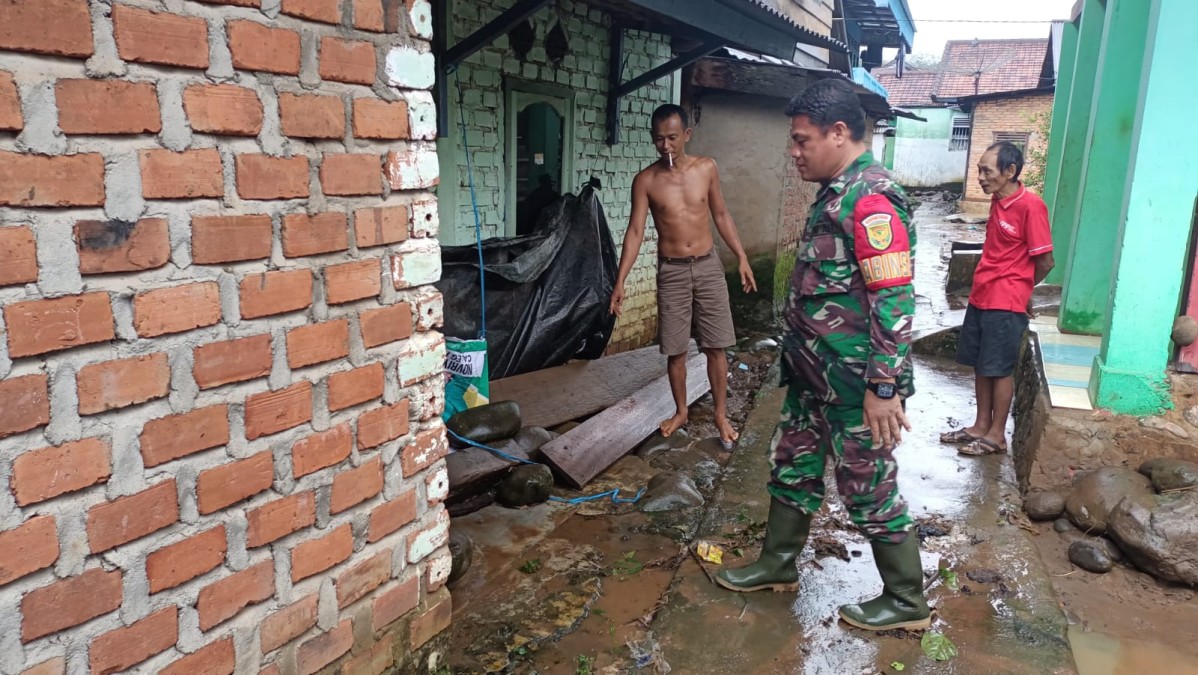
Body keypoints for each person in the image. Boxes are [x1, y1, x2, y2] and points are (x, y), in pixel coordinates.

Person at [715, 79, 930, 632]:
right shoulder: (837, 190)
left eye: (801, 140)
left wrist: (883, 389)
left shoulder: (872, 198)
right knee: (793, 468)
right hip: (814, 374)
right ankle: (776, 564)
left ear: (839, 133)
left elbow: (895, 301)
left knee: (868, 486)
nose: (794, 151)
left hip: (856, 383)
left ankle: (907, 601)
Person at [609, 104, 757, 449]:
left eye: (673, 138)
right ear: (652, 140)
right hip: (671, 271)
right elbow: (634, 232)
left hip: (707, 265)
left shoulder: (706, 168)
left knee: (716, 346)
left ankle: (720, 414)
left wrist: (742, 257)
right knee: (675, 350)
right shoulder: (645, 181)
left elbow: (721, 214)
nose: (666, 146)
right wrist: (620, 281)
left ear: (686, 135)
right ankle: (680, 411)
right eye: (659, 139)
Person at [940, 142, 1054, 456]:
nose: (980, 176)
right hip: (982, 295)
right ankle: (979, 425)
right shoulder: (997, 201)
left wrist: (1022, 290)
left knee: (999, 368)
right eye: (979, 170)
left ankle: (996, 436)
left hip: (1006, 301)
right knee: (981, 363)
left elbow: (1045, 260)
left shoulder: (1031, 206)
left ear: (1010, 171)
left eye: (986, 170)